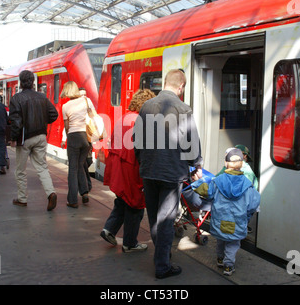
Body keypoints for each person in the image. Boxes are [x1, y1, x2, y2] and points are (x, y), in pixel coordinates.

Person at [133, 69, 203, 279]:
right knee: (165, 220)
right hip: (172, 172)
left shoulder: (146, 106)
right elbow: (192, 144)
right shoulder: (183, 108)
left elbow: (137, 140)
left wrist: (143, 161)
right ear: (181, 87)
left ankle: (162, 255)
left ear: (165, 83)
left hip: (149, 169)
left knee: (154, 218)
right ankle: (162, 265)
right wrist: (197, 166)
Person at [101, 89, 155, 253]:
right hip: (130, 169)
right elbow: (141, 151)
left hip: (117, 167)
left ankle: (109, 229)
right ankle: (129, 243)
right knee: (135, 205)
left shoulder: (124, 117)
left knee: (122, 200)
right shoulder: (139, 121)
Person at [191, 147, 261, 276]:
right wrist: (247, 215)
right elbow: (254, 203)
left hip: (219, 219)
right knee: (233, 244)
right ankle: (228, 266)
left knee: (221, 240)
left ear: (226, 163)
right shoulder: (247, 184)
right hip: (237, 221)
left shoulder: (218, 181)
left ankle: (219, 259)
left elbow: (206, 191)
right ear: (242, 164)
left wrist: (197, 182)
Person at [9, 70, 59, 211]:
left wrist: (13, 138)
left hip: (25, 138)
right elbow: (54, 114)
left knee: (20, 170)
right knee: (42, 167)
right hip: (41, 136)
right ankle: (51, 193)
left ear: (20, 81)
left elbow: (16, 122)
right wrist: (43, 120)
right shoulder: (42, 97)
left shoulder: (16, 98)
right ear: (33, 82)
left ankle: (22, 198)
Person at [60, 81, 93, 208]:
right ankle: (84, 192)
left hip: (74, 137)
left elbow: (67, 127)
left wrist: (69, 137)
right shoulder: (86, 101)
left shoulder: (66, 106)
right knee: (80, 165)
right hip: (86, 138)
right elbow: (92, 116)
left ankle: (73, 200)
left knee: (73, 169)